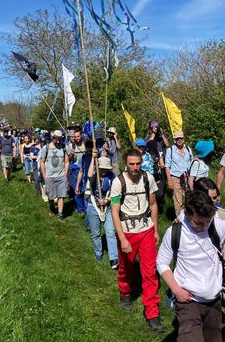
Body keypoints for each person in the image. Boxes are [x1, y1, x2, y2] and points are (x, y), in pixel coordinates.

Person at [157, 190, 225, 342]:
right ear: (187, 214)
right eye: (199, 223)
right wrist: (177, 290)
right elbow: (161, 262)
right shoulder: (175, 232)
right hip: (188, 302)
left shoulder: (216, 225)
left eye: (208, 221)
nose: (205, 226)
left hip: (214, 301)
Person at [110, 148, 163, 331]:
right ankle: (125, 291)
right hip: (127, 231)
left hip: (146, 229)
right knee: (126, 267)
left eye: (138, 163)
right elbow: (114, 212)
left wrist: (155, 230)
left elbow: (154, 204)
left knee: (149, 271)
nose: (135, 167)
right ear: (126, 163)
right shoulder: (118, 182)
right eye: (131, 164)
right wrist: (122, 238)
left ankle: (152, 312)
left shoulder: (148, 179)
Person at [85, 155, 119, 269]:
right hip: (93, 206)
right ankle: (98, 254)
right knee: (96, 233)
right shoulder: (95, 175)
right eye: (102, 168)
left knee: (110, 232)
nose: (103, 171)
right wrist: (93, 159)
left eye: (105, 169)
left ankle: (114, 258)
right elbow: (89, 176)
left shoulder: (113, 178)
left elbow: (116, 194)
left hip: (108, 207)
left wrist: (107, 200)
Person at [40, 130, 69, 222]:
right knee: (51, 196)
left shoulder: (64, 147)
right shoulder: (46, 148)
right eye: (56, 139)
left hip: (61, 176)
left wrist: (65, 172)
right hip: (50, 176)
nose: (58, 141)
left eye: (60, 139)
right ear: (53, 138)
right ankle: (51, 207)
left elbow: (67, 161)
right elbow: (42, 162)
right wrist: (44, 175)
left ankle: (60, 214)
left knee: (61, 195)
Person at [165, 131, 193, 217]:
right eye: (177, 139)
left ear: (184, 139)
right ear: (175, 140)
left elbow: (192, 162)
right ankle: (179, 219)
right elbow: (167, 166)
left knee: (189, 199)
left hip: (187, 178)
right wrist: (169, 180)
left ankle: (189, 217)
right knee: (178, 200)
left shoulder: (188, 149)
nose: (179, 140)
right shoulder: (170, 150)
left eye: (181, 138)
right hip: (175, 178)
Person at [66, 129, 88, 216]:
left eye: (78, 136)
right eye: (74, 137)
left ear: (81, 136)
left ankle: (87, 208)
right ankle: (80, 209)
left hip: (85, 170)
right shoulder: (71, 146)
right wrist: (71, 154)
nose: (76, 138)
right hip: (75, 170)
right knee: (77, 190)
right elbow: (68, 160)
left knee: (86, 189)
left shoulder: (86, 145)